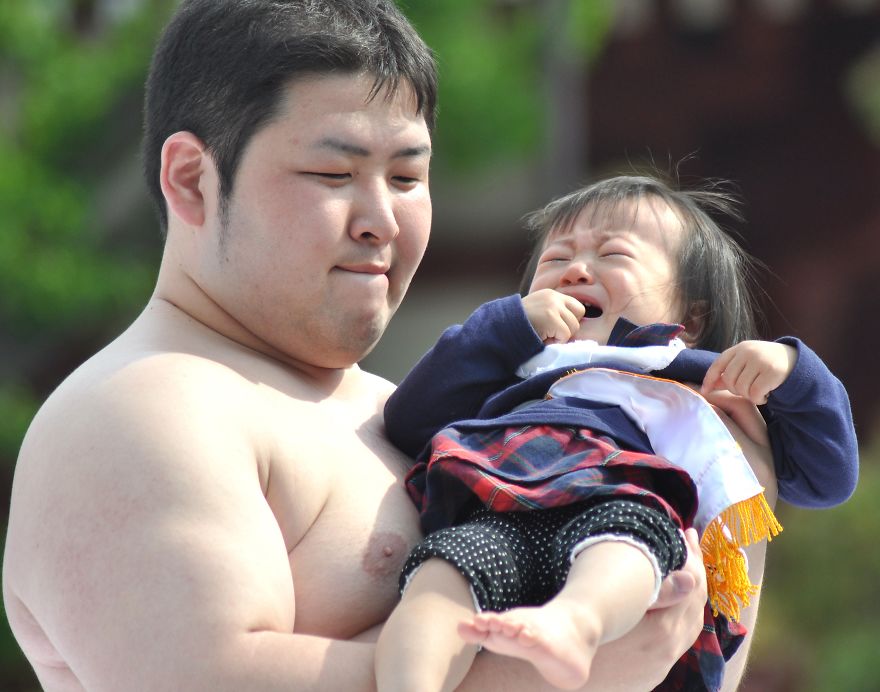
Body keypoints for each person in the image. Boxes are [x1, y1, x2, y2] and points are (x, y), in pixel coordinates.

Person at [2, 1, 775, 690]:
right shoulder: (139, 412)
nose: (381, 220)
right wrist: (561, 674)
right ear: (191, 180)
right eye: (333, 172)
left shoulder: (417, 410)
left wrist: (734, 489)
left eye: (406, 178)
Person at [376, 175, 859, 692]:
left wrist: (793, 372)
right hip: (497, 513)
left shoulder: (698, 379)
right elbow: (408, 419)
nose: (576, 269)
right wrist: (506, 326)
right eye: (556, 259)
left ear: (692, 317)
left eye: (613, 254)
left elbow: (827, 478)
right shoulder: (512, 367)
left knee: (625, 548)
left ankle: (574, 623)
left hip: (624, 511)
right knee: (440, 575)